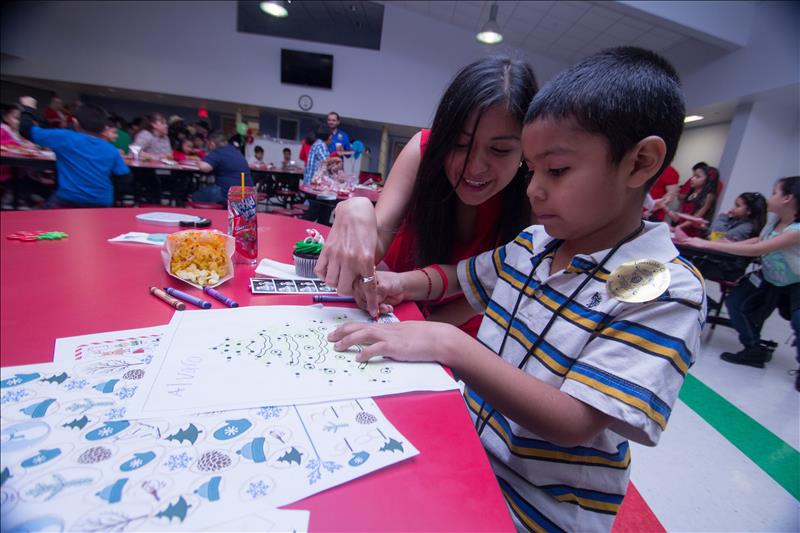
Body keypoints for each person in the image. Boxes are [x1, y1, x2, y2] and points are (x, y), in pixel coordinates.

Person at [329, 47, 701, 532]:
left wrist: (450, 344)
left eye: (556, 171)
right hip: (469, 457)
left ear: (640, 163)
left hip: (541, 506)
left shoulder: (662, 286)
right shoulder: (535, 242)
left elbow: (574, 420)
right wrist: (400, 282)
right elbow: (462, 277)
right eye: (534, 169)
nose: (532, 190)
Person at [316, 56, 537, 336]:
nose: (475, 167)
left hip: (456, 340)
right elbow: (374, 246)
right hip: (386, 314)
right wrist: (357, 211)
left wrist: (411, 334)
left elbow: (487, 291)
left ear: (526, 150)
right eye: (459, 144)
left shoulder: (534, 194)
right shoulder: (423, 151)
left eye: (500, 150)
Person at [683, 176, 798, 385]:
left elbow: (759, 249)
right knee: (736, 303)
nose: (770, 197)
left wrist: (709, 245)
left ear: (788, 198)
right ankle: (754, 349)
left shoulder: (796, 231)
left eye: (775, 193)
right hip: (770, 276)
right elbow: (760, 241)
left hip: (795, 283)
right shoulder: (775, 222)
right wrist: (720, 242)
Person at [18, 96, 130, 208]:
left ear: (75, 123)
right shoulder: (111, 149)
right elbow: (124, 178)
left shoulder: (64, 137)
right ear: (104, 128)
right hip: (103, 202)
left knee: (42, 218)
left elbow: (25, 129)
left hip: (69, 199)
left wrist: (28, 107)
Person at [192, 131, 253, 204]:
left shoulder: (218, 152)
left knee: (195, 196)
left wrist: (198, 162)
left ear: (212, 144)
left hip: (228, 193)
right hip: (248, 193)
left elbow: (205, 167)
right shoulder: (235, 150)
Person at [666, 163, 719, 236]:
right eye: (693, 176)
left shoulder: (709, 196)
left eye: (697, 177)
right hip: (681, 229)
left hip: (693, 233)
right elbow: (680, 217)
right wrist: (665, 208)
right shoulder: (691, 193)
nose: (692, 179)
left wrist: (677, 228)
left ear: (707, 180)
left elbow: (696, 218)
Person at [703, 192, 767, 241]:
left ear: (749, 211)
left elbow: (716, 238)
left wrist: (723, 218)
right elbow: (712, 234)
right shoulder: (736, 219)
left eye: (738, 206)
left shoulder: (747, 228)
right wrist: (704, 228)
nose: (733, 208)